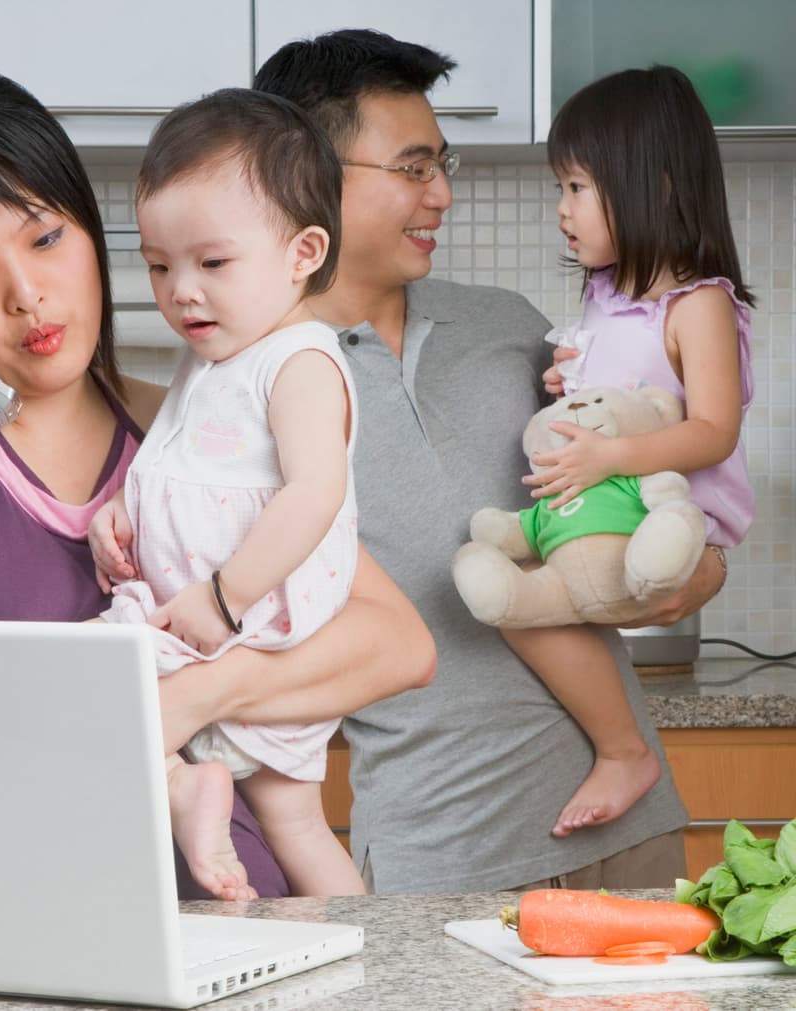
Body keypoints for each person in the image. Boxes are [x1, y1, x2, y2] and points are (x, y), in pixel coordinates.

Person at [0, 65, 436, 900]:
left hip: (236, 918)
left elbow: (400, 643)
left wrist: (187, 698)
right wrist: (137, 712)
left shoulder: (179, 429)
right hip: (11, 911)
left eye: (46, 239)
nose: (27, 296)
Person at [256, 30, 725, 895]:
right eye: (412, 167)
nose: (440, 194)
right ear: (306, 173)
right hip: (440, 862)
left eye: (444, 164)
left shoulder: (509, 325)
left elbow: (645, 482)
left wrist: (697, 574)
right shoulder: (257, 385)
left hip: (635, 841)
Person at [87, 89, 365, 899]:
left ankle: (183, 789)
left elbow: (315, 493)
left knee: (98, 685)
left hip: (249, 622)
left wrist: (224, 594)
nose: (182, 291)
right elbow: (175, 460)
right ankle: (373, 955)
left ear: (303, 252)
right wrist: (122, 508)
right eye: (159, 264)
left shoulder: (299, 361)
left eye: (212, 263)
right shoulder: (211, 357)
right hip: (205, 620)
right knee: (295, 822)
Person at [485, 65, 757, 838]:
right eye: (560, 189)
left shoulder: (697, 302)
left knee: (522, 606)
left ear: (656, 186)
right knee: (514, 601)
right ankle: (619, 745)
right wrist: (568, 383)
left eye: (576, 188)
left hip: (672, 516)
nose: (561, 210)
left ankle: (623, 751)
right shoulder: (605, 299)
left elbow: (713, 429)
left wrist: (608, 458)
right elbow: (617, 395)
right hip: (616, 509)